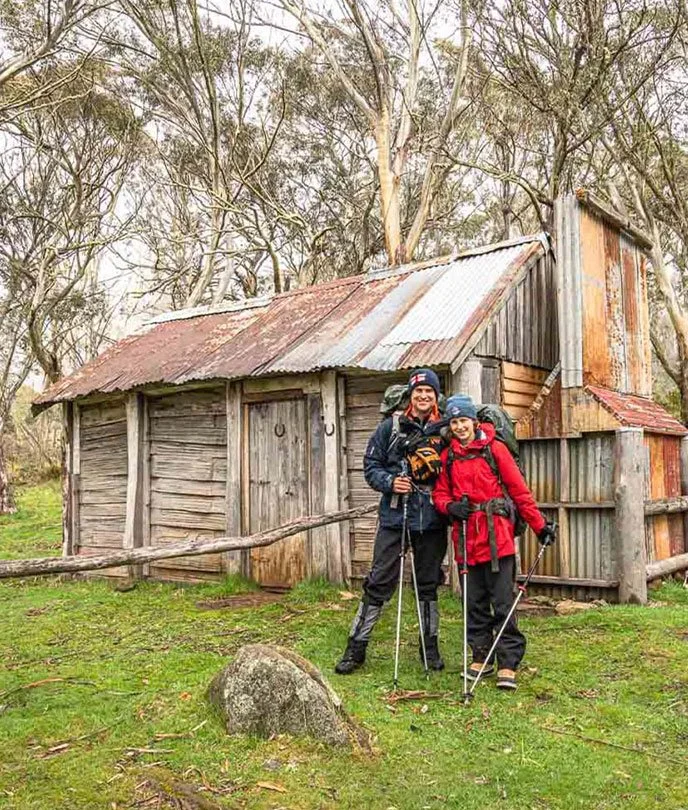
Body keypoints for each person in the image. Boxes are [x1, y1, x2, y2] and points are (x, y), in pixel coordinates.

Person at [432, 394, 556, 690]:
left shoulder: (495, 449)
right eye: (454, 422)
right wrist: (449, 507)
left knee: (502, 601)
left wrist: (539, 526)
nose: (460, 427)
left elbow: (520, 491)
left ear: (474, 421)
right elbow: (439, 494)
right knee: (473, 602)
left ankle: (508, 661)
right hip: (465, 539)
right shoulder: (448, 457)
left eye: (463, 420)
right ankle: (481, 656)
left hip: (497, 537)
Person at [335, 368, 448, 675]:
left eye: (429, 392)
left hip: (432, 520)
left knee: (427, 584)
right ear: (410, 396)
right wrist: (389, 482)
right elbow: (370, 467)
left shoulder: (446, 430)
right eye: (418, 392)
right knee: (378, 581)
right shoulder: (390, 427)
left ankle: (430, 648)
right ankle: (356, 648)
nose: (424, 396)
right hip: (395, 517)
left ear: (436, 396)